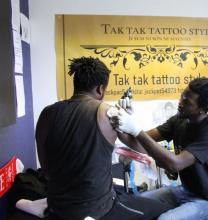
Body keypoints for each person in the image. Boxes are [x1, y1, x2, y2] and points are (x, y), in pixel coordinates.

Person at [35, 57, 169, 220]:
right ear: (100, 89)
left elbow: (46, 171)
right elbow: (144, 150)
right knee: (165, 210)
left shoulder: (47, 114)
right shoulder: (109, 113)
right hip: (98, 210)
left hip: (58, 207)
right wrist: (133, 126)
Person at [111, 77, 208, 220]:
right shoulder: (178, 121)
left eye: (187, 102)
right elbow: (139, 142)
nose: (180, 103)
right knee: (137, 205)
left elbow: (175, 163)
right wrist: (122, 120)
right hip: (185, 191)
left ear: (202, 109)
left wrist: (135, 129)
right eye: (182, 96)